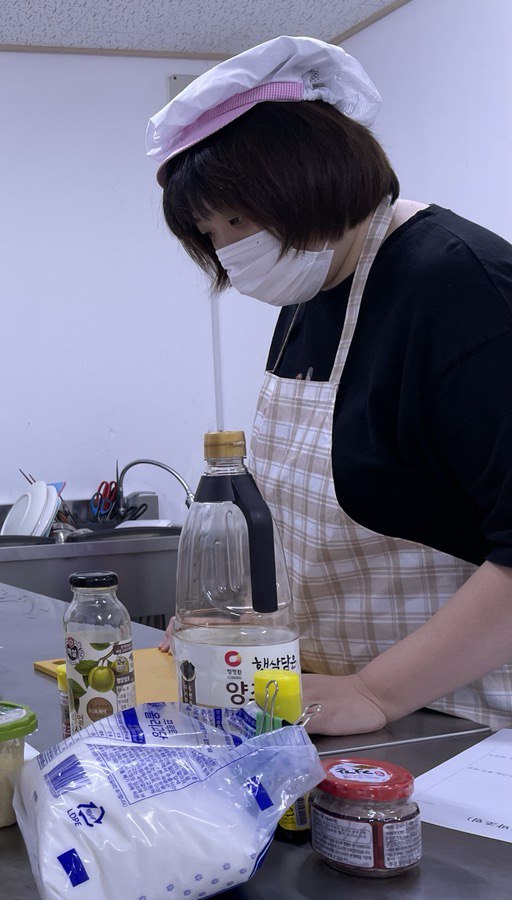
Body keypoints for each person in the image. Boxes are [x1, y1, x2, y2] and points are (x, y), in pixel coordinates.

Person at [148, 36, 512, 736]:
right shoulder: (313, 284)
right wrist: (239, 623)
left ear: (315, 179)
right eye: (210, 231)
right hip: (332, 707)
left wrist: (378, 691)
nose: (231, 250)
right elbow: (308, 523)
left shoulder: (461, 287)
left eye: (240, 218)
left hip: (462, 724)